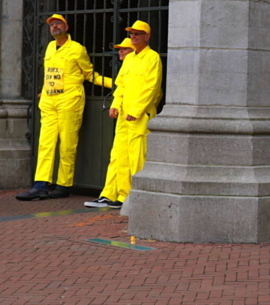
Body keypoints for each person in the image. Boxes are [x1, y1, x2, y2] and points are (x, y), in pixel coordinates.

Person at [16, 14, 113, 201]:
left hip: (70, 100)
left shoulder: (77, 49)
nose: (54, 27)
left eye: (58, 23)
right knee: (46, 143)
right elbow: (50, 74)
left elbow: (89, 74)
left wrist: (115, 84)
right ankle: (40, 184)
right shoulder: (50, 48)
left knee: (68, 144)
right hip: (49, 100)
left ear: (66, 27)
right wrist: (44, 90)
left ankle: (63, 184)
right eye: (51, 25)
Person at [86, 21, 162, 209]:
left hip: (140, 115)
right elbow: (121, 86)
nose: (134, 36)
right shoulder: (129, 59)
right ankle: (122, 195)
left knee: (137, 156)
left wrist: (136, 111)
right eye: (132, 34)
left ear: (147, 36)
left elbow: (151, 88)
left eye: (138, 33)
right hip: (123, 115)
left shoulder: (152, 58)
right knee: (119, 155)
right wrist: (115, 104)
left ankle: (138, 196)